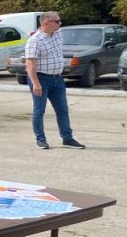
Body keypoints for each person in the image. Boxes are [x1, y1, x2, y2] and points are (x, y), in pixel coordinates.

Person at [25, 11, 85, 150]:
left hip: (57, 79)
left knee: (62, 109)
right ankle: (41, 140)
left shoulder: (58, 34)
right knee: (39, 110)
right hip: (41, 79)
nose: (60, 23)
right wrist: (36, 84)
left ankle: (67, 138)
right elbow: (30, 64)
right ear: (46, 23)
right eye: (57, 21)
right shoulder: (35, 41)